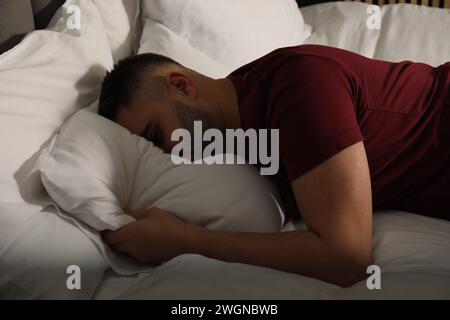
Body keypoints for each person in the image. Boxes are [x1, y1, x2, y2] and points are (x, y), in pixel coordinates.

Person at [98, 44, 450, 287]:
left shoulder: (298, 85)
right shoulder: (239, 128)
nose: (169, 153)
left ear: (181, 85)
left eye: (157, 134)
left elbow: (346, 258)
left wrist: (182, 241)